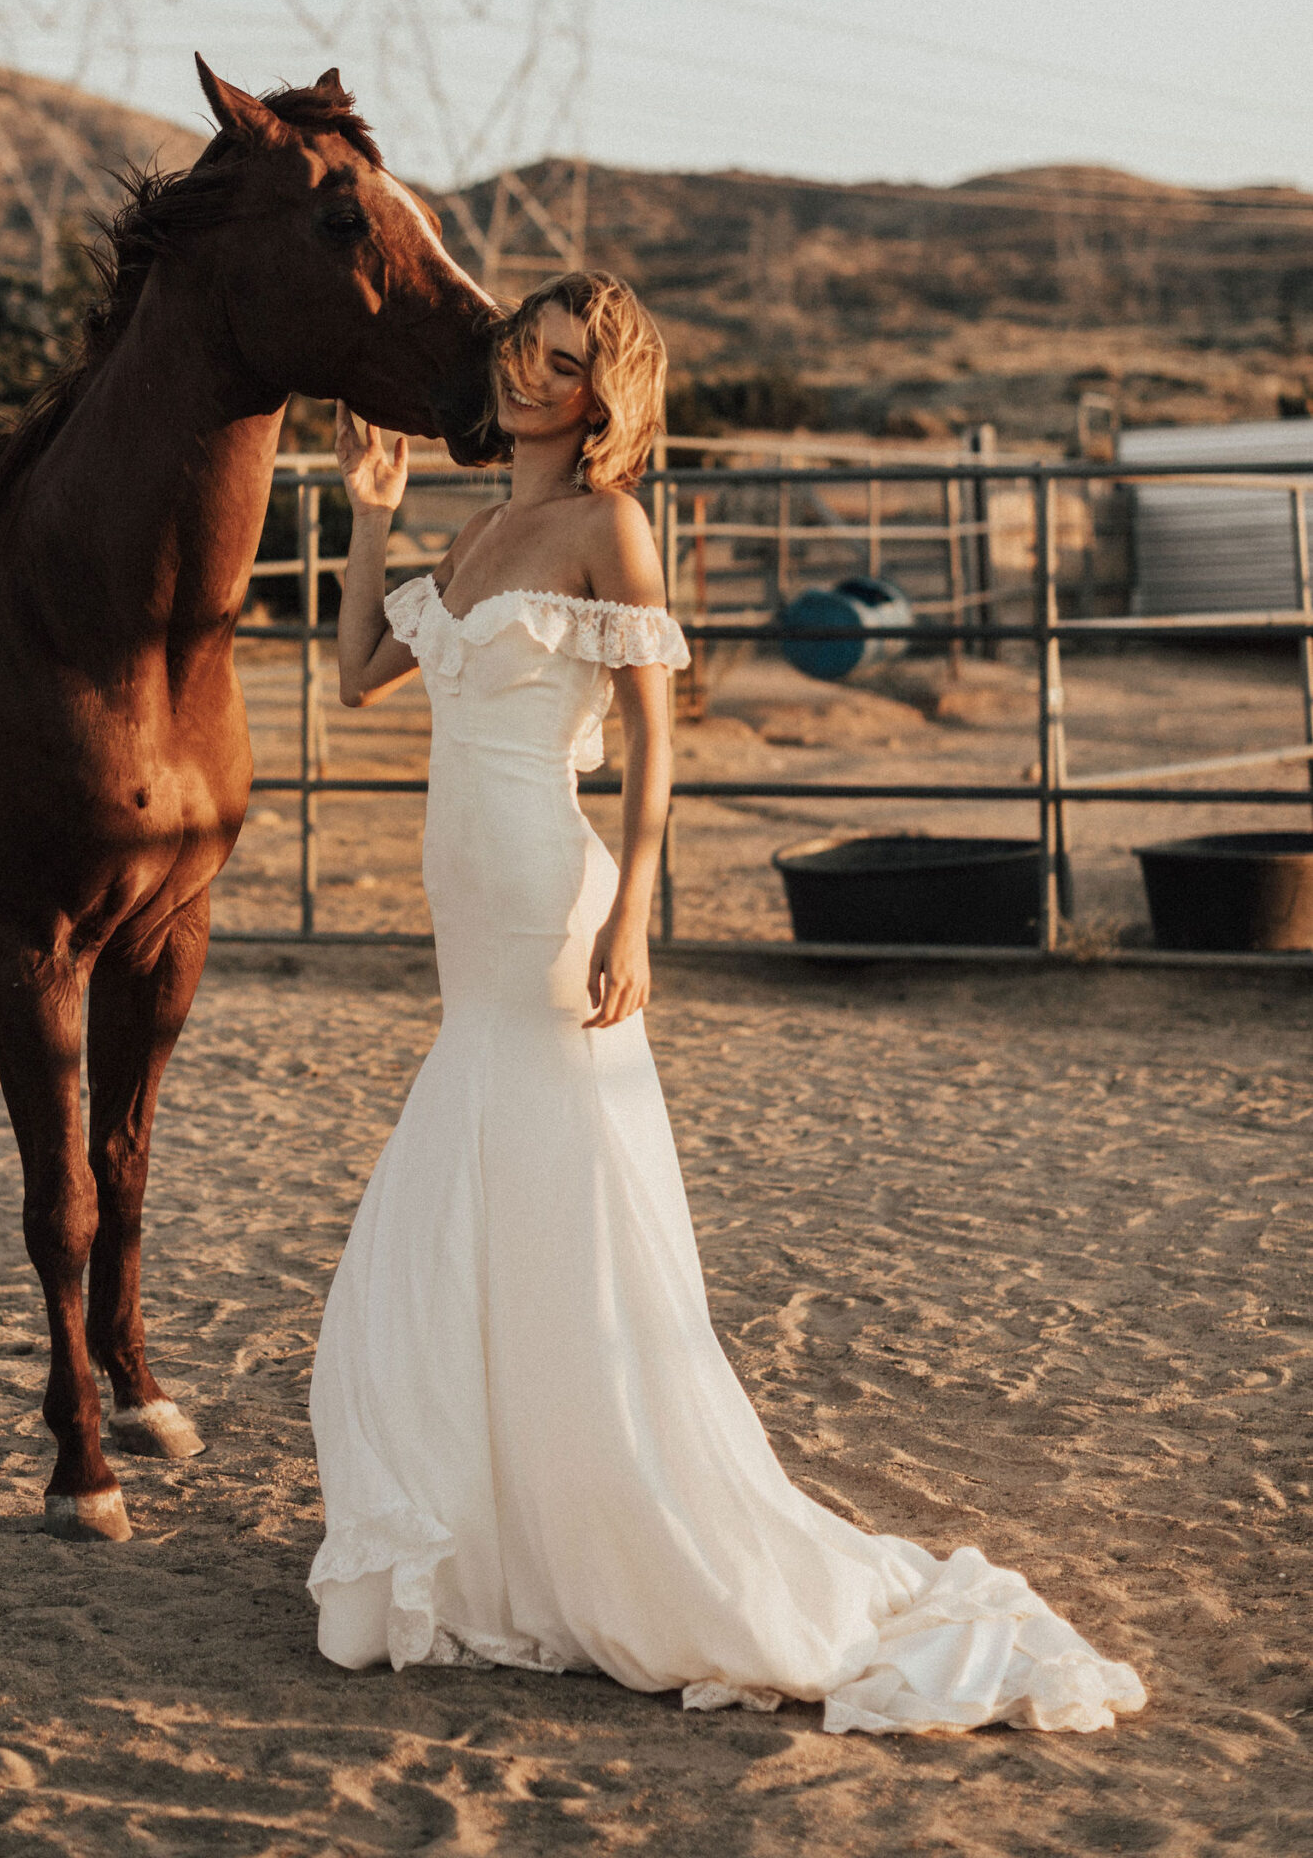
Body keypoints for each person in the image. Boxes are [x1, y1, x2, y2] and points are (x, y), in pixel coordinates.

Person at [307, 271, 1144, 1735]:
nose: (528, 376)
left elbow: (650, 743)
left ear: (601, 396)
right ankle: (504, 1526)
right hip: (467, 929)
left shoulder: (605, 529)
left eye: (562, 365)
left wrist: (635, 912)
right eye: (525, 349)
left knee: (550, 1209)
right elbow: (359, 674)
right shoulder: (482, 526)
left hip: (550, 915)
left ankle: (619, 1525)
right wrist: (369, 513)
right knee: (477, 1215)